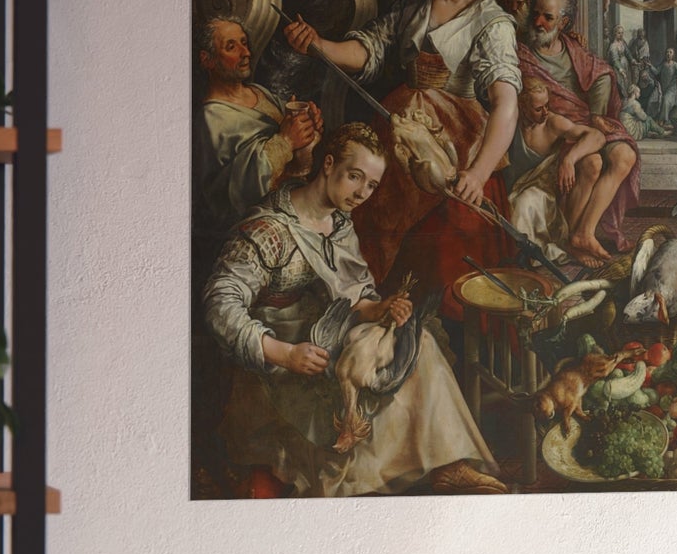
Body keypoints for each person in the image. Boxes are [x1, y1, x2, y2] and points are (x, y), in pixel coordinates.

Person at [203, 123, 505, 497]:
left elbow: (354, 296)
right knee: (354, 385)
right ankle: (371, 483)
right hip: (280, 357)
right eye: (354, 177)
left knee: (417, 343)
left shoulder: (340, 224)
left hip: (328, 334)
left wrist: (381, 307)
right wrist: (284, 353)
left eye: (372, 185)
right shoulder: (269, 229)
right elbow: (219, 304)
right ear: (328, 164)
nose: (362, 192)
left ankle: (449, 464)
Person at [283, 0, 521, 303]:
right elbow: (372, 48)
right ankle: (359, 305)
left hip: (456, 150)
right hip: (397, 131)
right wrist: (319, 45)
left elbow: (507, 104)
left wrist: (477, 175)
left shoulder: (493, 23)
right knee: (366, 215)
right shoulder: (417, 0)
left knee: (440, 255)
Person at [514, 0, 639, 262]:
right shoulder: (521, 55)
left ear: (564, 22)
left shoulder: (572, 48)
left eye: (548, 17)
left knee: (624, 155)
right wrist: (570, 155)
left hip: (584, 124)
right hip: (552, 131)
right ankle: (574, 237)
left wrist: (596, 113)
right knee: (591, 162)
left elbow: (602, 73)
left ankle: (584, 232)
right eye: (536, 14)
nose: (538, 22)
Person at [194, 17, 321, 238]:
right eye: (231, 46)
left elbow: (293, 136)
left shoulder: (259, 91)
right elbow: (228, 196)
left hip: (298, 209)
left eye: (244, 42)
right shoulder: (211, 118)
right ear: (207, 60)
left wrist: (310, 123)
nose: (246, 53)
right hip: (257, 231)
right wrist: (286, 141)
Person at [507, 78, 608, 263]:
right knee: (522, 202)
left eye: (547, 105)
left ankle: (567, 243)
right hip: (515, 186)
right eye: (539, 109)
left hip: (546, 191)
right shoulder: (511, 123)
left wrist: (570, 159)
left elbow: (598, 136)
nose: (545, 112)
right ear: (522, 106)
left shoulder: (553, 124)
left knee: (594, 161)